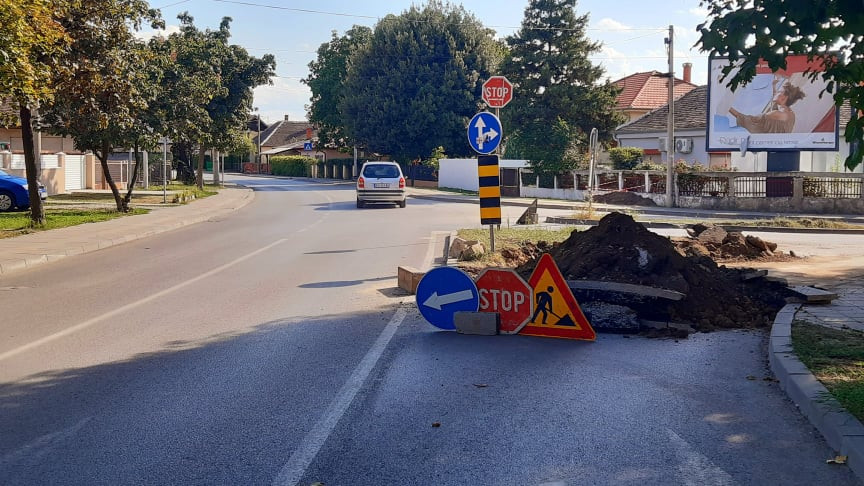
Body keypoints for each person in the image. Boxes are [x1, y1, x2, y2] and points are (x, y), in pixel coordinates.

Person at [728, 76, 805, 133]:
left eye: (779, 92)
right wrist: (773, 85)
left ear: (784, 98)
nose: (776, 92)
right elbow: (777, 104)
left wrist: (727, 107)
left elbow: (750, 120)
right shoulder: (790, 113)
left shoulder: (776, 114)